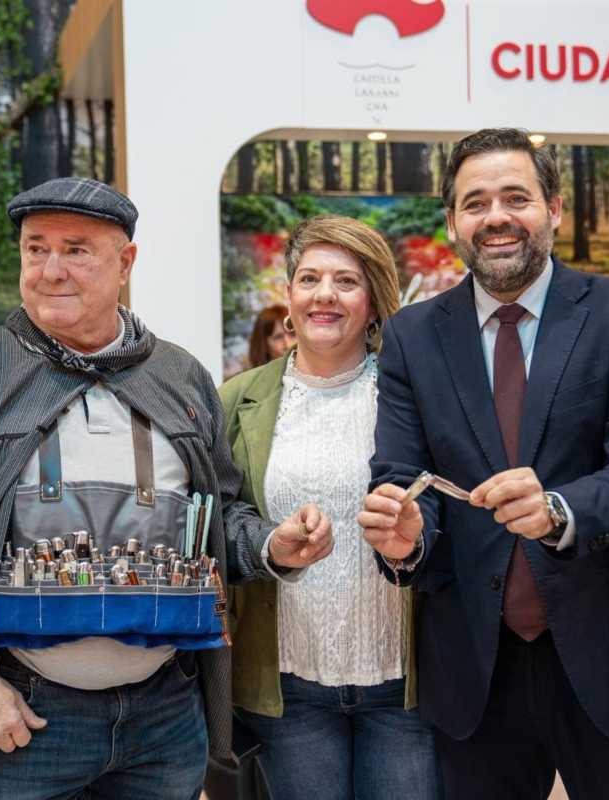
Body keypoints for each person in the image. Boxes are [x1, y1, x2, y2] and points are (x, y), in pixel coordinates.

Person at [0, 177, 333, 797]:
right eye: (35, 248)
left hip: (165, 721)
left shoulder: (179, 377)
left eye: (77, 249)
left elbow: (217, 518)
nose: (51, 269)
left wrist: (271, 546)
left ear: (125, 263)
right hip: (20, 723)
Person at [358, 127, 609, 800]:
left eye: (516, 197)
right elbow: (399, 473)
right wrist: (405, 538)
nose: (497, 217)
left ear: (554, 209)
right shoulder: (412, 337)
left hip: (605, 651)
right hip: (472, 665)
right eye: (475, 202)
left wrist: (559, 510)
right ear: (453, 221)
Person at [220, 215, 438, 799]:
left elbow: (449, 512)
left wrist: (413, 537)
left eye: (345, 281)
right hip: (289, 687)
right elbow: (217, 518)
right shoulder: (237, 400)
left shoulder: (413, 394)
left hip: (402, 683)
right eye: (309, 278)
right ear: (288, 295)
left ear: (373, 302)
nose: (324, 294)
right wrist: (271, 543)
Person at [247, 304, 293, 368]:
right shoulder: (256, 377)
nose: (288, 344)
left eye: (292, 334)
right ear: (263, 345)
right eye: (278, 337)